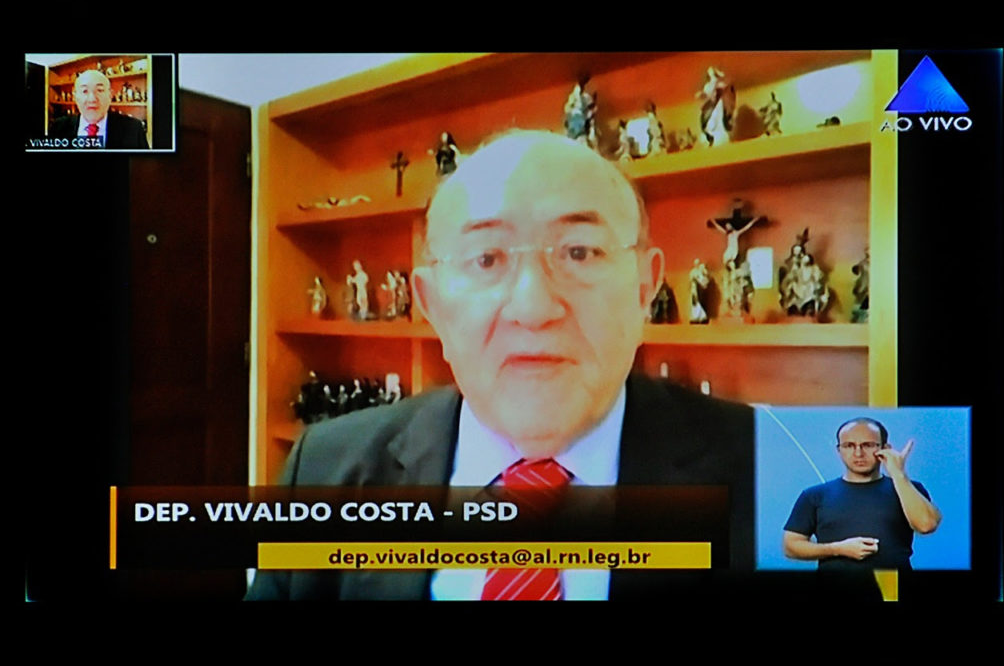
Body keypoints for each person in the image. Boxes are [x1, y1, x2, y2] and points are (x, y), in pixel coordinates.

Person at [246, 130, 754, 600]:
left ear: (644, 288)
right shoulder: (323, 471)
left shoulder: (771, 469)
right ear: (432, 304)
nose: (533, 308)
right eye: (486, 259)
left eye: (579, 252)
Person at [783, 417, 941, 572]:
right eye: (849, 446)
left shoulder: (908, 488)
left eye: (868, 445)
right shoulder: (814, 495)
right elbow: (791, 546)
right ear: (839, 450)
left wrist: (898, 473)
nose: (858, 453)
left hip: (893, 585)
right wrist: (837, 549)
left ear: (885, 448)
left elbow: (926, 525)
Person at [49, 69, 149, 149]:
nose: (92, 99)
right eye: (84, 91)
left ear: (110, 95)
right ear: (75, 97)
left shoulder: (133, 129)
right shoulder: (58, 127)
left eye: (100, 90)